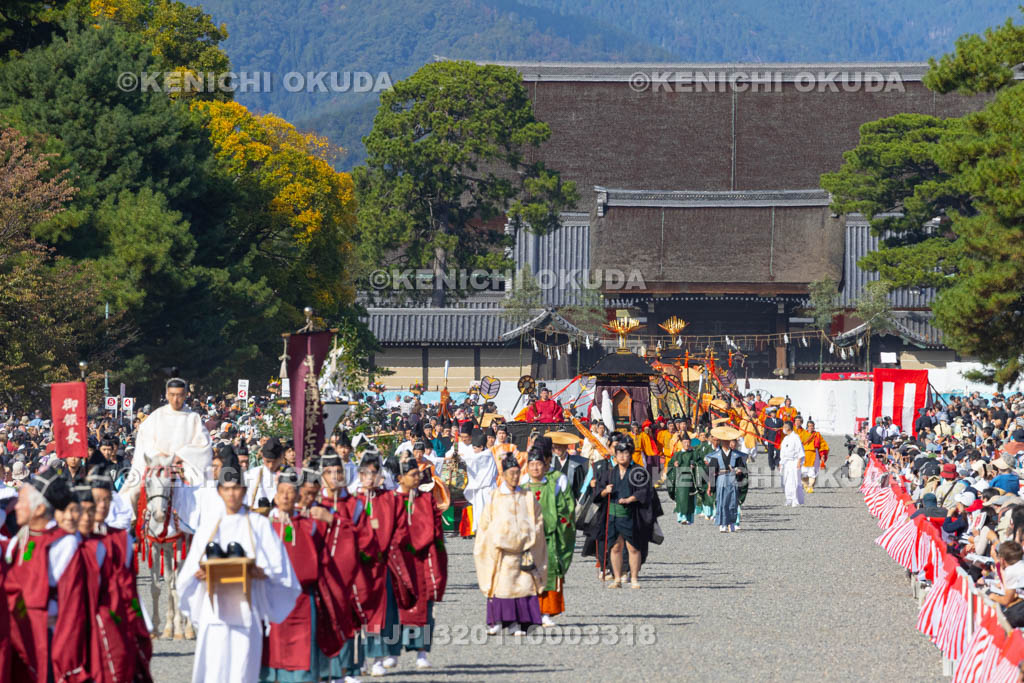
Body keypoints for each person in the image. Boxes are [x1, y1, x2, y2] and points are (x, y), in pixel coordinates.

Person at [177, 450, 300, 683]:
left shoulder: (258, 524)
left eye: (236, 488)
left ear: (244, 491)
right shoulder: (209, 526)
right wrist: (199, 574)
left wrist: (259, 572)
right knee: (214, 669)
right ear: (219, 491)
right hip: (214, 612)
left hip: (247, 608)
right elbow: (187, 576)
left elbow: (279, 569)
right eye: (227, 489)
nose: (232, 494)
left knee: (243, 670)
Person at [3, 469, 87, 681]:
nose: (16, 506)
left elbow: (74, 598)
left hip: (50, 636)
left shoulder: (65, 543)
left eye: (21, 501)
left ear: (39, 509)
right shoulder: (17, 541)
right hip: (18, 632)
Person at [474, 454, 547, 635]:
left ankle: (519, 623)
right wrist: (494, 538)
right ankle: (497, 620)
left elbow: (538, 520)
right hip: (502, 552)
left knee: (523, 586)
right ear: (503, 475)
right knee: (501, 586)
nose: (514, 477)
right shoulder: (495, 497)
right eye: (510, 473)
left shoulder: (527, 496)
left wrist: (531, 536)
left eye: (517, 473)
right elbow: (485, 525)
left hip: (524, 550)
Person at [123, 377, 214, 510]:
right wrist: (159, 455)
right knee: (132, 492)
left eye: (179, 395)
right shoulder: (156, 416)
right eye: (172, 395)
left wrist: (180, 456)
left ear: (185, 395)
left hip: (185, 466)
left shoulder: (193, 418)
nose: (175, 399)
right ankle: (132, 524)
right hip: (157, 464)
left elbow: (203, 446)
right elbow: (145, 440)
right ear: (166, 395)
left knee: (203, 493)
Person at [392, 457, 448, 671]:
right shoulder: (392, 499)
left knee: (425, 607)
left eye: (418, 474)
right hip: (399, 559)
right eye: (413, 475)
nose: (417, 478)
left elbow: (436, 529)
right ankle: (393, 651)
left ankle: (422, 651)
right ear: (400, 478)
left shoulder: (426, 499)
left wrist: (435, 552)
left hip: (423, 559)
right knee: (396, 607)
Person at [594, 439, 661, 588]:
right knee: (615, 547)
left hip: (631, 515)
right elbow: (598, 491)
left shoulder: (637, 471)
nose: (622, 456)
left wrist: (631, 498)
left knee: (633, 547)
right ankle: (617, 579)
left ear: (630, 455)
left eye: (625, 453)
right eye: (619, 453)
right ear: (615, 456)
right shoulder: (610, 473)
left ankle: (634, 578)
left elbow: (645, 491)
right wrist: (605, 491)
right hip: (612, 515)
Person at [521, 447, 575, 626]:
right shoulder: (522, 488)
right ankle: (528, 612)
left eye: (539, 465)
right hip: (527, 540)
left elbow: (564, 509)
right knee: (526, 574)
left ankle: (546, 612)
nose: (535, 468)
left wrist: (558, 526)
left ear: (545, 466)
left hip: (549, 537)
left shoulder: (553, 486)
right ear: (527, 467)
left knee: (548, 573)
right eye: (532, 464)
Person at [458, 429, 498, 537]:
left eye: (475, 448)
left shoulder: (487, 454)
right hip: (480, 489)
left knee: (489, 512)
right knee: (479, 512)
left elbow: (473, 459)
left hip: (489, 488)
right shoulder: (480, 455)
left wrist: (461, 457)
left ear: (481, 447)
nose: (474, 450)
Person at [706, 426, 745, 532]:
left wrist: (740, 471)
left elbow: (743, 468)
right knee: (722, 501)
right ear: (721, 442)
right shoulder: (716, 455)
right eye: (724, 441)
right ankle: (722, 523)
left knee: (733, 501)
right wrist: (710, 485)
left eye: (728, 441)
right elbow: (711, 472)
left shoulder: (736, 455)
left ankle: (732, 523)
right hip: (721, 478)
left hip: (733, 478)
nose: (726, 443)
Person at [665, 434, 700, 524]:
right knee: (681, 498)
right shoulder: (677, 454)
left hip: (691, 479)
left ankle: (690, 518)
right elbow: (670, 465)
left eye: (688, 442)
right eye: (685, 442)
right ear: (682, 443)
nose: (687, 444)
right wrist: (674, 465)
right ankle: (681, 517)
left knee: (690, 498)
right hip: (680, 479)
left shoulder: (694, 454)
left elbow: (699, 464)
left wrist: (695, 466)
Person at [245, 437, 284, 511]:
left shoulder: (290, 474)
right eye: (268, 461)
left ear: (281, 457)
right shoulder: (250, 475)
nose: (271, 466)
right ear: (262, 456)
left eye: (275, 462)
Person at [547, 432, 587, 500]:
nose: (556, 451)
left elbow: (579, 487)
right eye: (555, 448)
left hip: (570, 502)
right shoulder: (550, 462)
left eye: (559, 448)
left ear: (565, 447)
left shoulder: (575, 465)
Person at [779, 421, 805, 507]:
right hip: (786, 462)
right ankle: (788, 498)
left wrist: (799, 462)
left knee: (794, 481)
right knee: (786, 480)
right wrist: (781, 463)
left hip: (794, 462)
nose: (783, 429)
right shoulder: (785, 438)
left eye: (784, 427)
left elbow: (800, 450)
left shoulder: (795, 437)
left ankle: (795, 499)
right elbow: (783, 452)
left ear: (788, 427)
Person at [801, 420, 829, 493]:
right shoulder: (803, 434)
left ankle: (810, 487)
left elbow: (822, 445)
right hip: (804, 454)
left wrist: (822, 454)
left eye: (812, 426)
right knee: (803, 472)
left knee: (813, 471)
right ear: (807, 426)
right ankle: (806, 484)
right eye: (809, 426)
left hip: (814, 454)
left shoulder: (817, 435)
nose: (811, 427)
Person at [762, 406, 783, 476]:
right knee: (770, 453)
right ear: (770, 414)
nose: (774, 414)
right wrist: (765, 439)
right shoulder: (767, 421)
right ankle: (771, 465)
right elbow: (766, 430)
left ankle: (777, 463)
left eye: (775, 413)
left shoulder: (780, 421)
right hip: (770, 439)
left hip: (778, 440)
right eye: (772, 413)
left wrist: (779, 429)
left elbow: (783, 428)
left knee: (778, 453)